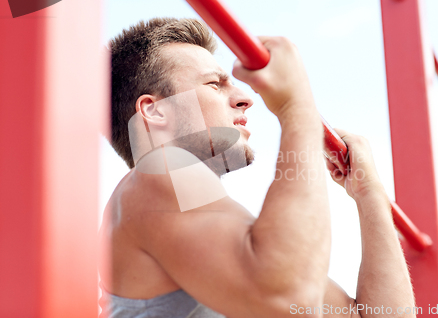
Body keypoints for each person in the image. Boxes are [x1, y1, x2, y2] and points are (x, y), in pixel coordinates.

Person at [98, 17, 415, 318]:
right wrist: (296, 104)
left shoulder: (210, 222)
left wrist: (368, 191)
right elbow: (291, 298)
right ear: (153, 111)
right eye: (215, 84)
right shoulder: (155, 172)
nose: (244, 97)